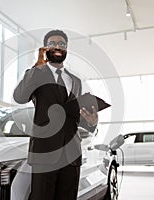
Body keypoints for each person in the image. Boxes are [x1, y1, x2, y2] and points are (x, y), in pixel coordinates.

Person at [13, 29, 98, 200]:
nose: (57, 46)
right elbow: (20, 97)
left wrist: (91, 122)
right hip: (44, 153)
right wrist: (36, 67)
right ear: (45, 48)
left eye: (62, 44)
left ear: (66, 48)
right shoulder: (37, 74)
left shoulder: (76, 80)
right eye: (52, 43)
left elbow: (75, 116)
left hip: (72, 153)